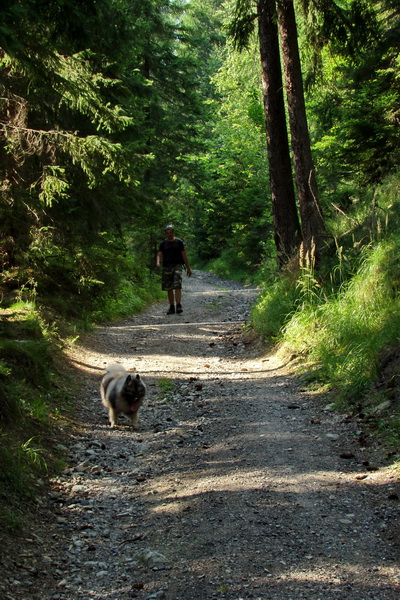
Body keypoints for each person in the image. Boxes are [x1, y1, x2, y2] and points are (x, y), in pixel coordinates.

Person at [156, 225, 192, 314]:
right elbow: (159, 254)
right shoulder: (163, 244)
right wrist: (158, 262)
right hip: (167, 266)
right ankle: (171, 307)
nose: (169, 234)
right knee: (169, 287)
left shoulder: (179, 242)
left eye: (170, 233)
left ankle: (178, 305)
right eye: (167, 233)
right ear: (165, 233)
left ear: (173, 232)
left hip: (177, 265)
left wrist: (188, 268)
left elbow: (184, 255)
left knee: (177, 285)